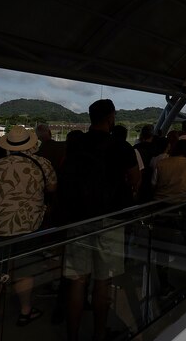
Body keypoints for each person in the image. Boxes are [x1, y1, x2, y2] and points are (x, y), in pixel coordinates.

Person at [59, 99, 140, 341]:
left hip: (77, 217)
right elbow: (135, 179)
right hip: (110, 218)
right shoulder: (121, 146)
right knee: (103, 280)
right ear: (111, 117)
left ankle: (72, 336)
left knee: (77, 279)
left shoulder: (75, 143)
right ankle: (99, 333)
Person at [0, 126, 57, 334]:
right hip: (30, 225)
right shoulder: (42, 163)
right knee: (24, 270)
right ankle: (25, 310)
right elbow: (52, 188)